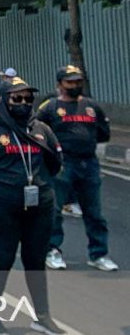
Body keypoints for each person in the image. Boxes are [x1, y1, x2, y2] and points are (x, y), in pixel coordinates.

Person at [0, 77, 68, 335]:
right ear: (4, 100)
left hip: (40, 205)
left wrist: (40, 184)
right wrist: (4, 184)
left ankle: (43, 317)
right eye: (17, 98)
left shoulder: (41, 129)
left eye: (28, 98)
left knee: (36, 259)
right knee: (2, 257)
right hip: (2, 205)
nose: (24, 103)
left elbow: (55, 162)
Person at [38, 65, 117, 272]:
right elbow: (37, 134)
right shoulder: (50, 108)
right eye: (70, 82)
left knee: (94, 212)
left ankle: (98, 254)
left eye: (78, 81)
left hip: (89, 164)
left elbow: (103, 133)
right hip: (62, 165)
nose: (74, 85)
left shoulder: (91, 106)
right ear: (60, 84)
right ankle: (52, 250)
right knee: (55, 211)